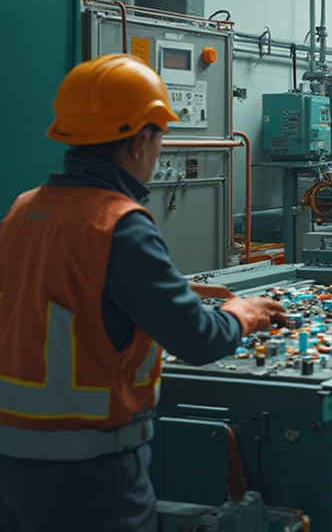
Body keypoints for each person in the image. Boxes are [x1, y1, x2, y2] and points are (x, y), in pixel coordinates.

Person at [0, 55, 286, 532]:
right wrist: (242, 312)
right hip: (88, 471)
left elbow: (65, 300)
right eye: (160, 138)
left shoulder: (23, 211)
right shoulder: (118, 224)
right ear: (139, 141)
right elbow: (199, 339)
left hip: (11, 462)